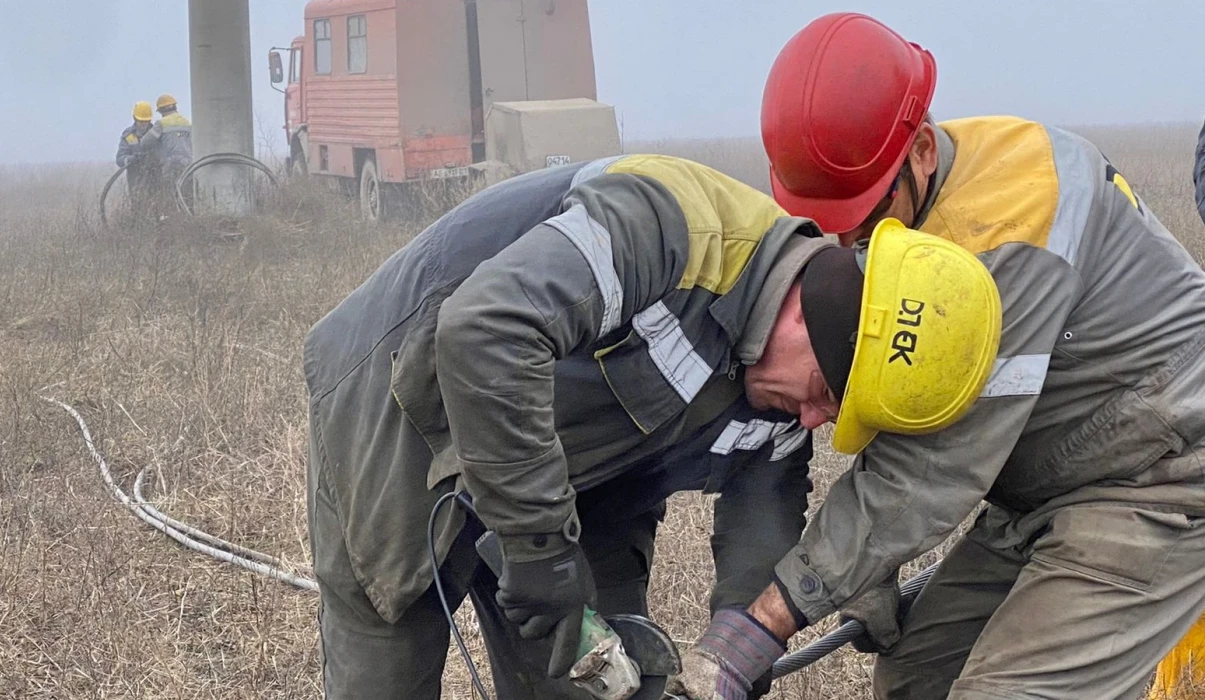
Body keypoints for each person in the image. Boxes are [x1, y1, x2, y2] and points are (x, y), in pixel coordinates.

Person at [300, 153, 998, 699]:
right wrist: (540, 548)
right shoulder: (666, 225)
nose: (814, 421)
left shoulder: (789, 375)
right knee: (387, 669)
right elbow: (487, 331)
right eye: (821, 394)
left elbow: (765, 500)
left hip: (582, 468)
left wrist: (738, 637)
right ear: (799, 313)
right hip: (403, 406)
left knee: (598, 682)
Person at [666, 12, 1205, 700]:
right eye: (831, 227)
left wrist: (764, 624)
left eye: (861, 219)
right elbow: (909, 408)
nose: (848, 249)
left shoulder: (1004, 237)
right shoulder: (909, 218)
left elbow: (932, 464)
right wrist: (868, 577)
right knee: (919, 672)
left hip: (1155, 484)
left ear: (920, 149)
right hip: (1042, 490)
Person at [138, 93, 193, 207]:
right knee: (187, 197)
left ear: (161, 111)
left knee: (171, 198)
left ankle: (172, 220)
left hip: (171, 166)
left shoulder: (161, 123)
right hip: (189, 165)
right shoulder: (187, 123)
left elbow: (144, 143)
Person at [116, 101, 155, 203]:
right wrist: (130, 159)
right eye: (141, 121)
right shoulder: (128, 136)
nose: (143, 124)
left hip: (156, 182)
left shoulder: (156, 133)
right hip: (136, 184)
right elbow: (119, 159)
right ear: (135, 119)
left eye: (146, 121)